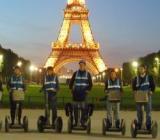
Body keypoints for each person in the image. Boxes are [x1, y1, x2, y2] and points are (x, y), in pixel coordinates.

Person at [69, 60, 93, 126]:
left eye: (82, 64)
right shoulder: (75, 73)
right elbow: (71, 82)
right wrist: (71, 89)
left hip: (84, 93)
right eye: (80, 64)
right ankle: (76, 121)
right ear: (79, 65)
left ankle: (83, 121)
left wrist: (88, 90)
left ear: (85, 65)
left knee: (84, 108)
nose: (81, 65)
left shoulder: (88, 74)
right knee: (75, 108)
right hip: (76, 93)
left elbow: (90, 84)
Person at [132, 64, 155, 130]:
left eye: (142, 68)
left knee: (148, 111)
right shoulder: (136, 78)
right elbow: (134, 88)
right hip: (139, 96)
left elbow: (153, 86)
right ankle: (139, 123)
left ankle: (148, 124)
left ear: (145, 69)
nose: (141, 70)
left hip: (147, 96)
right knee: (139, 111)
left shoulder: (149, 77)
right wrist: (134, 92)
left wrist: (151, 92)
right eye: (139, 69)